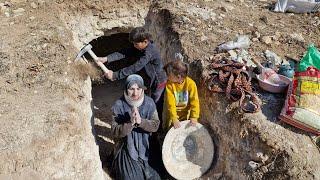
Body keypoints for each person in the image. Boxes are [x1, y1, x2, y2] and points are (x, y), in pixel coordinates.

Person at [97, 27, 167, 106]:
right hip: (148, 78)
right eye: (133, 43)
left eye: (136, 44)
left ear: (145, 41)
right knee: (144, 98)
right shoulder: (140, 47)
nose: (134, 46)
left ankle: (154, 116)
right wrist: (107, 58)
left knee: (155, 102)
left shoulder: (149, 52)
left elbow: (135, 67)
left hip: (158, 81)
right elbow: (124, 53)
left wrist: (115, 75)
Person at [111, 74, 161, 180]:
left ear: (143, 89)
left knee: (155, 177)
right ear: (126, 89)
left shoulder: (149, 103)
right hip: (127, 149)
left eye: (138, 88)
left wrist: (141, 122)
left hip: (147, 146)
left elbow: (155, 126)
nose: (135, 93)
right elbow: (115, 131)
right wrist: (130, 123)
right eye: (131, 89)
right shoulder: (118, 105)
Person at [162, 60, 200, 131]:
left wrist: (194, 116)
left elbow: (195, 101)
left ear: (178, 77)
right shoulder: (170, 84)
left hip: (186, 114)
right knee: (171, 131)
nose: (167, 77)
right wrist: (174, 118)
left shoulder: (191, 84)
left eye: (169, 75)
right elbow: (171, 103)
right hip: (172, 114)